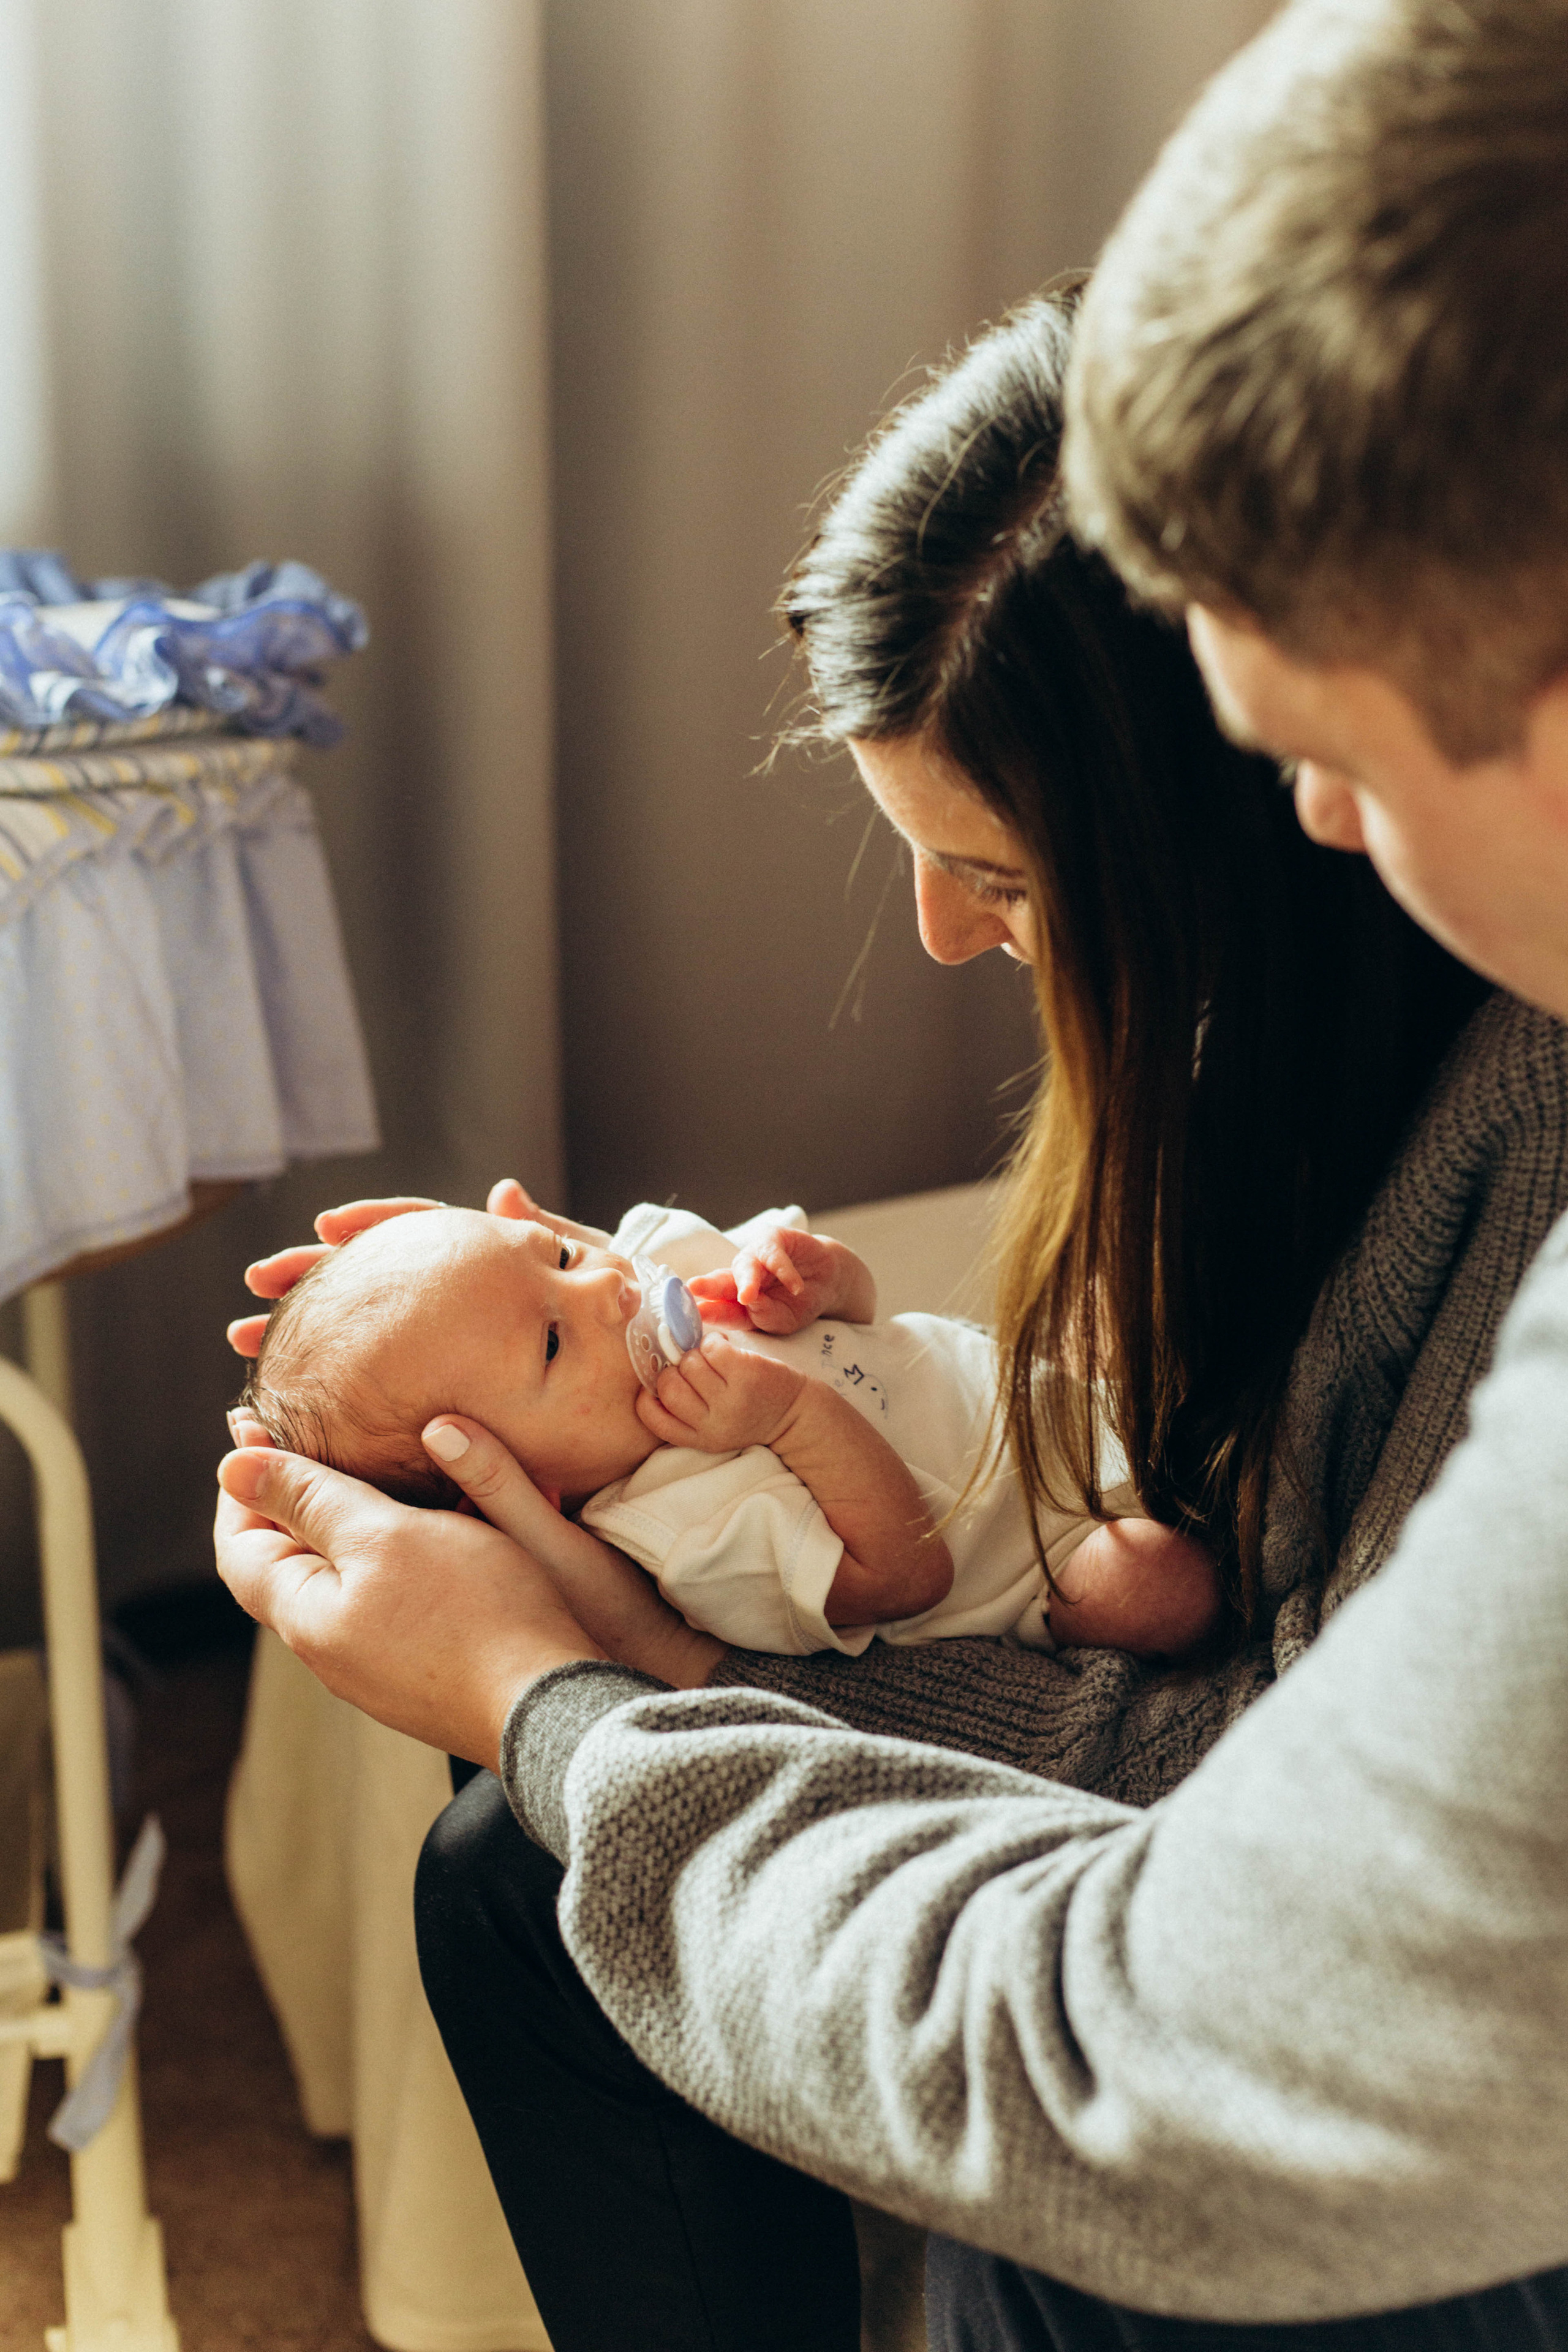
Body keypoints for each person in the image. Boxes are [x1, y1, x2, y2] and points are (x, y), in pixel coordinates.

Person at [213, 7, 1568, 2329]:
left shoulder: (1506, 1106)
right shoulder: (1281, 1056)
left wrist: (597, 1691)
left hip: (1273, 2057)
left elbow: (1193, 1977)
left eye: (1321, 749)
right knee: (508, 1879)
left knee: (576, 1904)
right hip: (1222, 1859)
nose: (951, 941)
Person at [236, 1195, 1221, 1660]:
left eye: (553, 1255)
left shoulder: (656, 1270)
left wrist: (819, 1275)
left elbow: (863, 1312)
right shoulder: (685, 1529)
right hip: (1048, 1549)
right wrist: (791, 1416)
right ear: (521, 1484)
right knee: (1148, 1589)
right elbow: (911, 1578)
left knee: (1144, 1279)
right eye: (549, 1343)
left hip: (1041, 1387)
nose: (607, 1292)